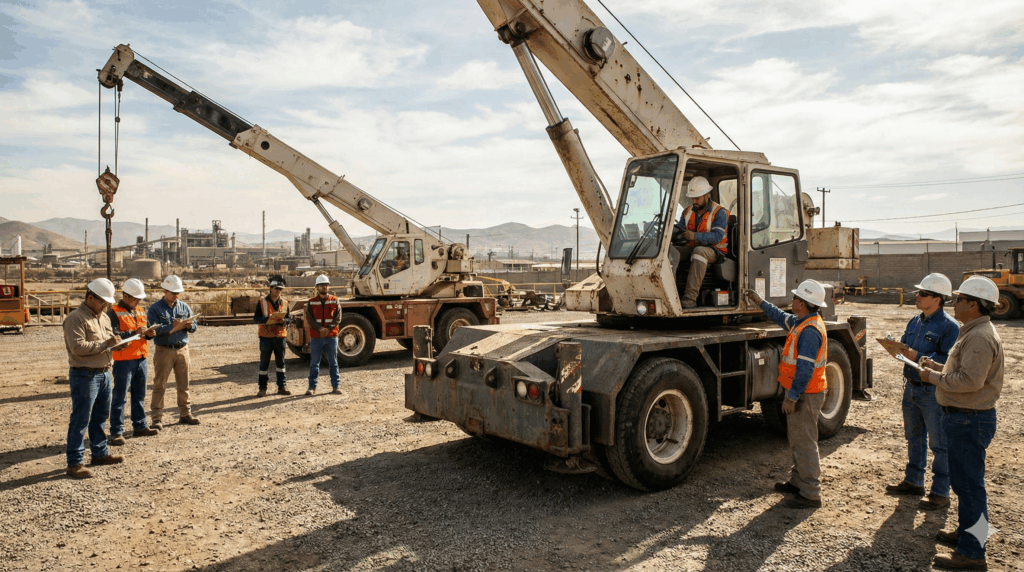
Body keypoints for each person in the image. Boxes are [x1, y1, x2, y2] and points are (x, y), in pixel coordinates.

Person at [919, 275, 1004, 571]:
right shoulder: (974, 332)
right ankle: (969, 536)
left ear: (974, 305)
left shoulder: (979, 337)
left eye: (960, 300)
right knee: (966, 485)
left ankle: (973, 553)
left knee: (970, 489)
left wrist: (932, 377)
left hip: (970, 419)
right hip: (966, 418)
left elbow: (970, 381)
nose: (955, 304)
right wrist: (938, 366)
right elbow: (963, 371)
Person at [745, 279, 828, 509]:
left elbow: (805, 369)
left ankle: (811, 492)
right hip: (804, 392)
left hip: (806, 394)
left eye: (795, 298)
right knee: (797, 438)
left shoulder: (810, 331)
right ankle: (798, 481)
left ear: (803, 303)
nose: (791, 301)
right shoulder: (802, 322)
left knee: (805, 441)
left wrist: (792, 397)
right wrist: (759, 301)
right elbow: (780, 316)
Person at [884, 273, 959, 509]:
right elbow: (906, 347)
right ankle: (914, 481)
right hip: (913, 388)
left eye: (924, 293)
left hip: (933, 392)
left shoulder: (950, 327)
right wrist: (897, 349)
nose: (918, 296)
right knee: (914, 437)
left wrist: (918, 357)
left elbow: (950, 361)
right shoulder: (915, 321)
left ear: (938, 299)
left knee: (939, 443)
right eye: (919, 292)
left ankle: (940, 493)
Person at [62, 278, 124, 479]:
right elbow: (77, 347)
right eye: (103, 302)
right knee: (81, 419)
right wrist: (106, 345)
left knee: (99, 417)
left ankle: (99, 453)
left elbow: (106, 342)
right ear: (90, 298)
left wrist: (116, 345)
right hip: (85, 374)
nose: (106, 305)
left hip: (105, 373)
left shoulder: (103, 317)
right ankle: (75, 463)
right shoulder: (76, 318)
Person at [107, 278, 160, 444]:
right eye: (135, 298)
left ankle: (140, 425)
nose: (137, 302)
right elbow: (113, 336)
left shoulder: (140, 310)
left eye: (139, 299)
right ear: (125, 296)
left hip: (141, 359)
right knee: (120, 397)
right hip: (124, 361)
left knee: (139, 395)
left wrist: (150, 334)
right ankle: (116, 432)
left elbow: (146, 329)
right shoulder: (113, 312)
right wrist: (133, 332)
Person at [147, 275, 200, 427]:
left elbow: (194, 325)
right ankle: (157, 418)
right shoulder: (155, 308)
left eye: (177, 292)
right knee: (160, 385)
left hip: (183, 349)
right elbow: (151, 330)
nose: (176, 295)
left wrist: (190, 325)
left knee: (184, 383)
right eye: (173, 292)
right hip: (164, 350)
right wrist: (171, 326)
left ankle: (185, 414)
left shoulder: (184, 307)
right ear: (164, 290)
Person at [672, 176, 729, 308]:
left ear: (707, 195)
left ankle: (689, 299)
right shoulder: (687, 212)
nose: (694, 201)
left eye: (697, 198)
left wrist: (694, 236)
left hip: (715, 251)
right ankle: (671, 293)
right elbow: (680, 229)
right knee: (669, 251)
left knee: (699, 252)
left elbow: (717, 237)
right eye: (692, 198)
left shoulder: (720, 212)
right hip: (693, 246)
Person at [305, 274, 342, 395]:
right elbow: (310, 320)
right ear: (317, 287)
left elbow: (338, 318)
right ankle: (312, 387)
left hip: (331, 336)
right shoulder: (311, 302)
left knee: (333, 363)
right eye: (321, 285)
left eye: (326, 285)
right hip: (317, 337)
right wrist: (320, 329)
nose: (324, 287)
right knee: (314, 364)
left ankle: (336, 386)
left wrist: (328, 329)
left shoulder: (335, 300)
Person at [254, 274, 291, 397]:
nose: (278, 291)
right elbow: (256, 318)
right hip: (266, 337)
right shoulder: (261, 302)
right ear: (270, 288)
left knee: (281, 364)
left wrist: (284, 321)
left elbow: (289, 318)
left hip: (280, 336)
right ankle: (262, 388)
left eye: (280, 289)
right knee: (264, 364)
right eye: (276, 289)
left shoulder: (285, 303)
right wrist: (267, 319)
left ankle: (282, 387)